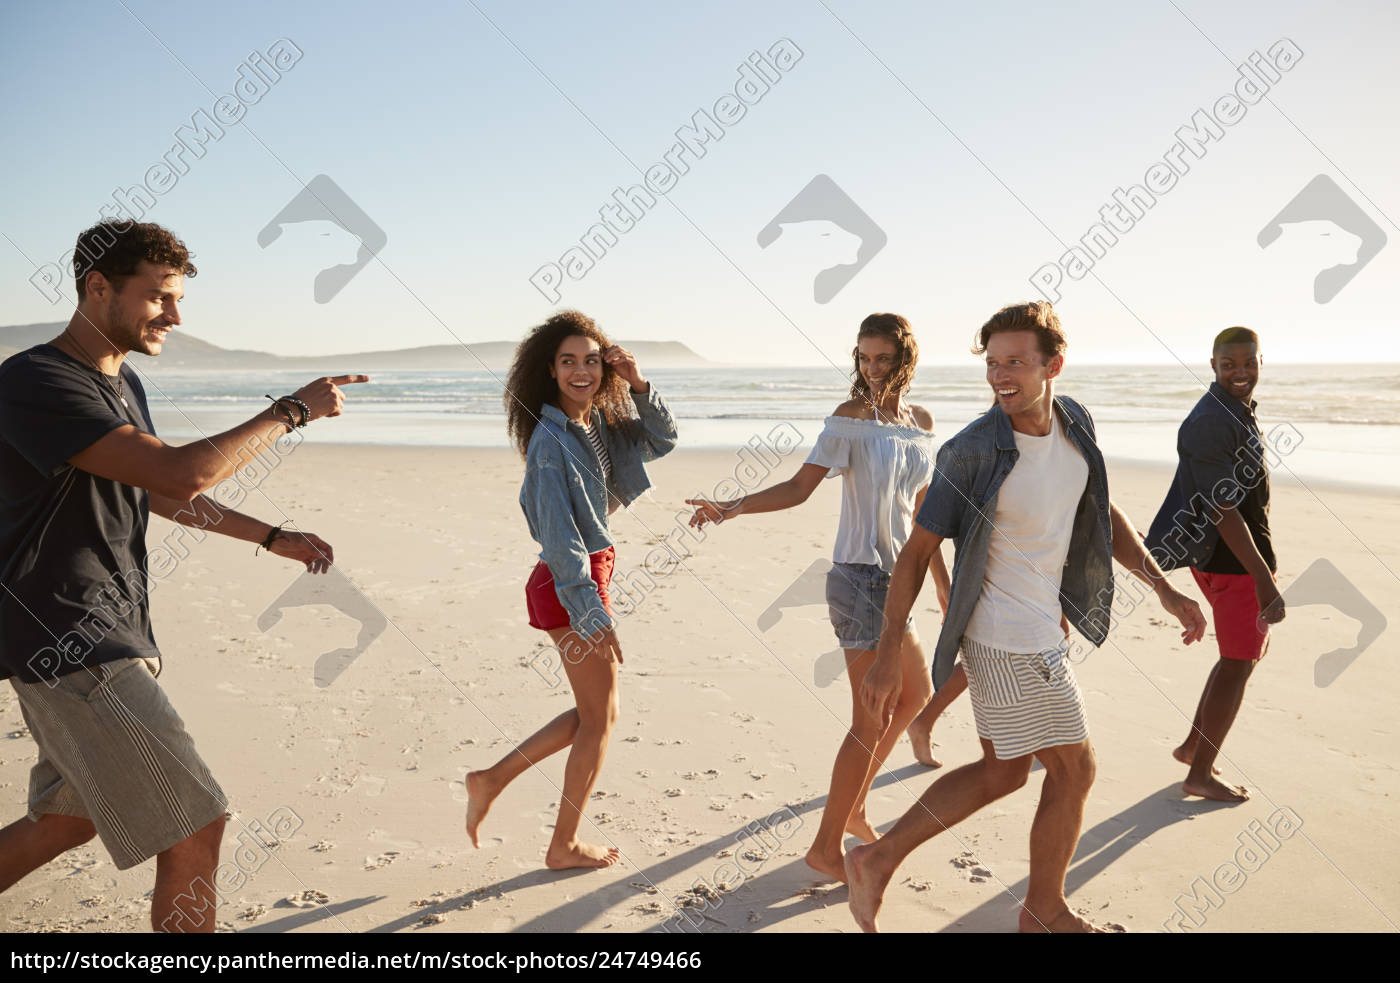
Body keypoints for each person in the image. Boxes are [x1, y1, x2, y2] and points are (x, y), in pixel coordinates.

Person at [0, 221, 366, 932]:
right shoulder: (35, 380)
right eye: (160, 297)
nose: (175, 315)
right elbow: (177, 468)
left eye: (178, 298)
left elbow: (160, 492)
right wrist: (291, 410)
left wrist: (268, 534)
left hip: (98, 632)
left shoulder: (120, 377)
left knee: (67, 818)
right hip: (71, 637)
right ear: (97, 288)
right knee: (196, 824)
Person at [845, 301, 1207, 932]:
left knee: (1005, 771)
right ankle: (1042, 911)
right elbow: (913, 556)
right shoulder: (971, 454)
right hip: (1003, 637)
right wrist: (884, 656)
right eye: (992, 363)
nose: (1000, 375)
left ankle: (878, 859)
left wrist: (1161, 587)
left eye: (1015, 361)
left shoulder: (1075, 423)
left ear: (1052, 365)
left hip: (1041, 626)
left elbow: (1100, 510)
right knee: (1075, 766)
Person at [687, 313, 962, 883]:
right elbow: (798, 487)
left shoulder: (921, 421)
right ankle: (824, 845)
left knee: (914, 696)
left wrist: (939, 579)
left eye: (883, 358)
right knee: (869, 719)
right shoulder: (850, 419)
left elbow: (924, 510)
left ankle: (854, 806)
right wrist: (730, 507)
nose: (871, 368)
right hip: (861, 580)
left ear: (906, 358)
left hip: (900, 579)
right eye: (863, 357)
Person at [466, 310, 677, 869]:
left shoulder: (598, 422)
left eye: (590, 360)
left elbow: (664, 440)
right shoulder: (550, 441)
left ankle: (492, 778)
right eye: (568, 362)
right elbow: (558, 539)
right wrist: (591, 610)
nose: (580, 371)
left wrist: (637, 382)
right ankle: (561, 843)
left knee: (594, 714)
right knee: (601, 719)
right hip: (569, 581)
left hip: (586, 573)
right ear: (550, 371)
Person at [1145, 327, 1283, 802]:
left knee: (1235, 659)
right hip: (1232, 563)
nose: (1240, 373)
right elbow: (1223, 510)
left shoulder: (1234, 409)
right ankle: (1199, 774)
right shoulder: (1210, 421)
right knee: (1238, 662)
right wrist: (1264, 581)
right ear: (1213, 365)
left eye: (1249, 363)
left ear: (1260, 362)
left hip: (1236, 558)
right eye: (1230, 365)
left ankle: (1191, 749)